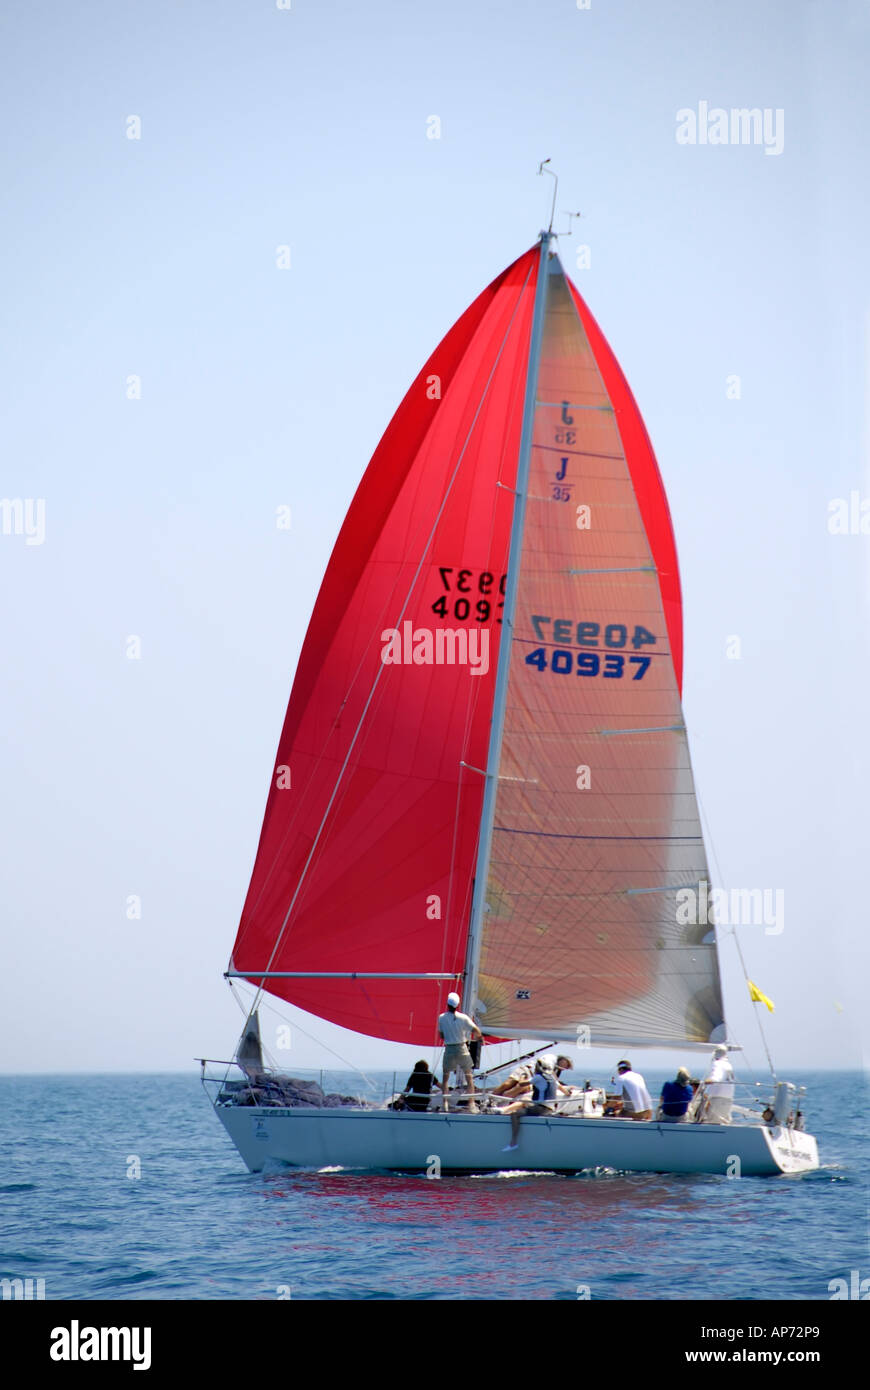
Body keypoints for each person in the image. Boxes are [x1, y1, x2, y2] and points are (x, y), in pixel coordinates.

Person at [501, 1055, 570, 1151]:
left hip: (540, 1108)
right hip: (549, 1108)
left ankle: (513, 1142)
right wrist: (568, 1092)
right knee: (525, 1101)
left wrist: (522, 1076)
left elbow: (521, 1084)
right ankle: (503, 1110)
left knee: (515, 1115)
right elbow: (563, 1089)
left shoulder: (538, 1077)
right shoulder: (552, 1077)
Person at [437, 992, 483, 1113]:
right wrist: (479, 1038)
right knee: (469, 1078)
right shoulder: (463, 1018)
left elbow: (441, 1035)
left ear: (447, 1004)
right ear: (457, 1005)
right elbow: (476, 1030)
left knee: (445, 1079)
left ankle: (445, 1104)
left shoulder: (441, 1018)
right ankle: (471, 1104)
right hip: (462, 1048)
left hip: (449, 1049)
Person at [699, 1044, 735, 1124]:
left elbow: (715, 1079)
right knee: (724, 1122)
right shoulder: (728, 1065)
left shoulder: (718, 1064)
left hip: (717, 1100)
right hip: (728, 1099)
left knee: (713, 1123)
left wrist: (703, 1082)